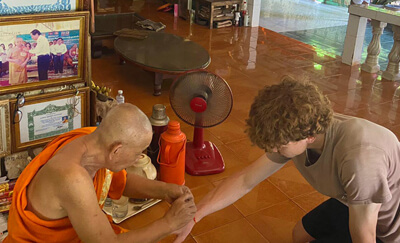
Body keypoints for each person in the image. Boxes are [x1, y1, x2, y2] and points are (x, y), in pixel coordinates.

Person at [175, 76, 400, 243]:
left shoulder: (360, 158)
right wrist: (196, 215)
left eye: (279, 145)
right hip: (351, 201)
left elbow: (365, 234)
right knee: (299, 235)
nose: (273, 149)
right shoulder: (296, 132)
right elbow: (245, 180)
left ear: (309, 136)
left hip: (389, 227)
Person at [5, 104, 197, 242]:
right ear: (116, 151)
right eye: (138, 152)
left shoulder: (93, 139)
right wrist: (169, 223)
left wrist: (166, 190)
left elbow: (121, 181)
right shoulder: (73, 178)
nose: (139, 158)